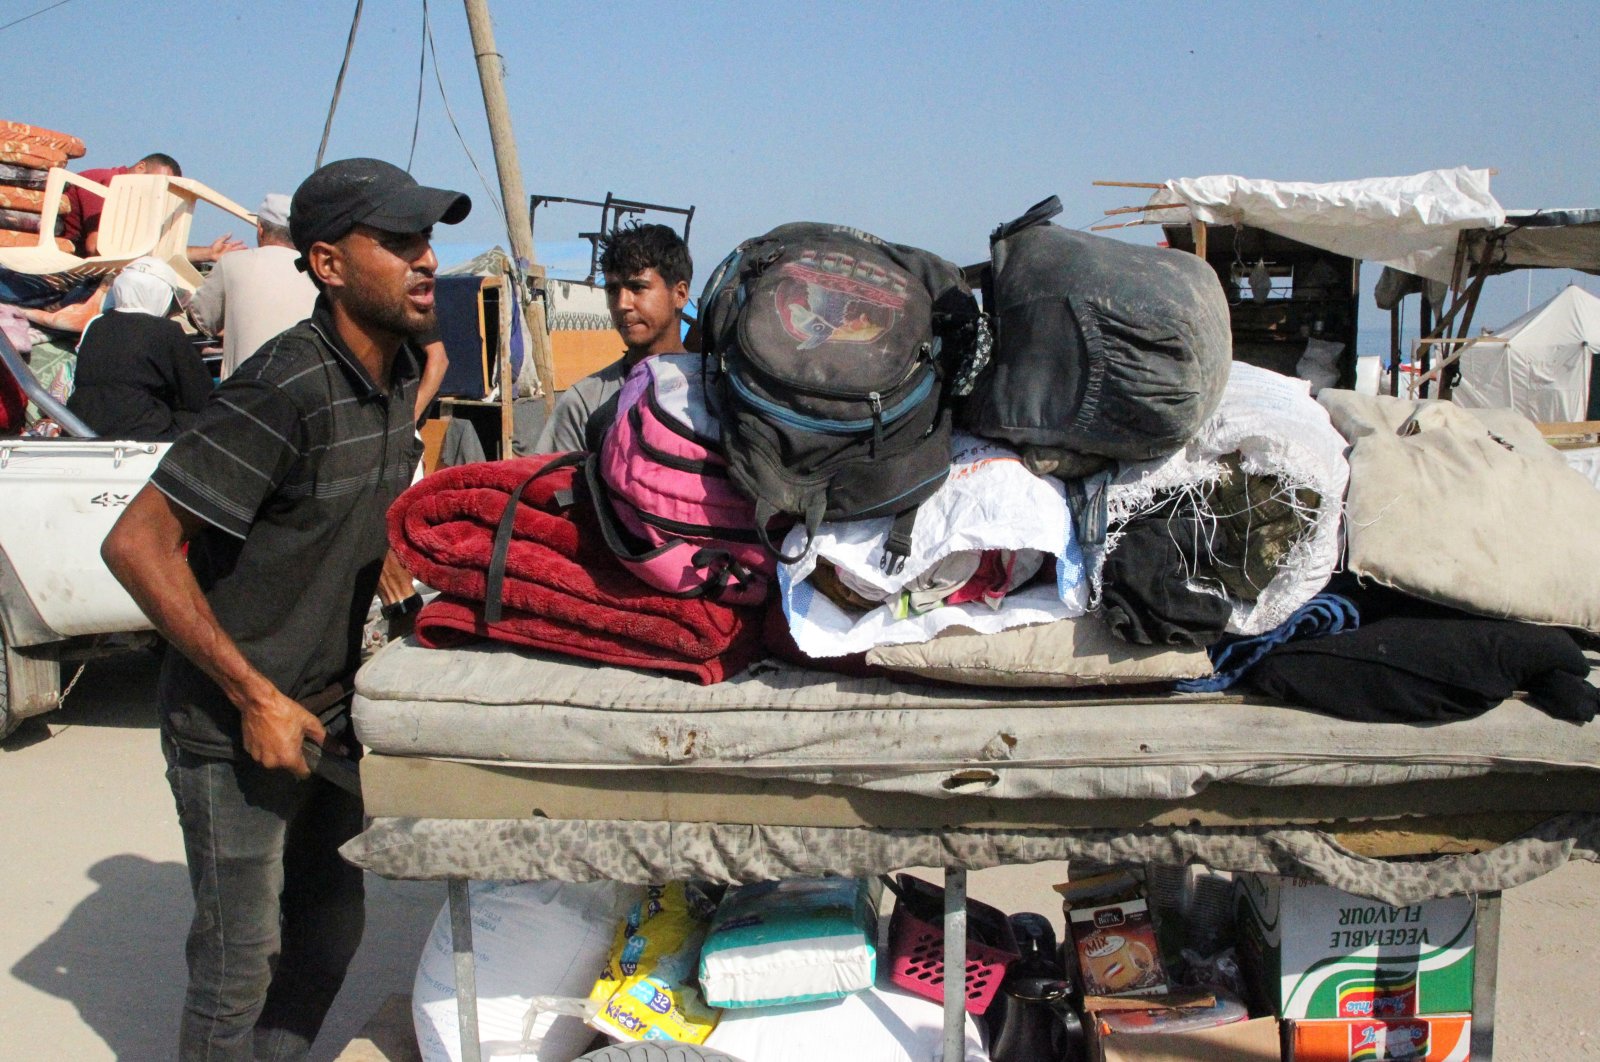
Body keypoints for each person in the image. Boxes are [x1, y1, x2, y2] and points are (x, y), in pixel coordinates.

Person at [101, 157, 469, 1060]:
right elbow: (135, 544)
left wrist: (379, 554)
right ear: (329, 263)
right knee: (239, 965)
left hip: (328, 717)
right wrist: (253, 695)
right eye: (396, 241)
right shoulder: (284, 386)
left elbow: (347, 493)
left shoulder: (393, 378)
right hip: (236, 728)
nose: (425, 260)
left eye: (427, 241)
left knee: (332, 933)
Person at [534, 223, 691, 453]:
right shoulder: (585, 402)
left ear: (680, 294)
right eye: (613, 290)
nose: (622, 304)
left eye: (638, 288)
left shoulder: (713, 391)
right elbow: (550, 485)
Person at [65, 255, 212, 440]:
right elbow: (198, 395)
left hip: (82, 424)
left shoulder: (95, 326)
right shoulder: (167, 330)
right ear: (161, 295)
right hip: (141, 430)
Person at [188, 193, 318, 379]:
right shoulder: (318, 270)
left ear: (260, 229)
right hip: (305, 382)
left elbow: (200, 318)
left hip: (246, 388)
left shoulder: (232, 263)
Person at [58, 152, 245, 263]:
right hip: (67, 263)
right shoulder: (108, 181)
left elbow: (152, 249)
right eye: (158, 182)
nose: (158, 192)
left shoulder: (137, 203)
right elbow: (97, 248)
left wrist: (208, 253)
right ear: (140, 167)